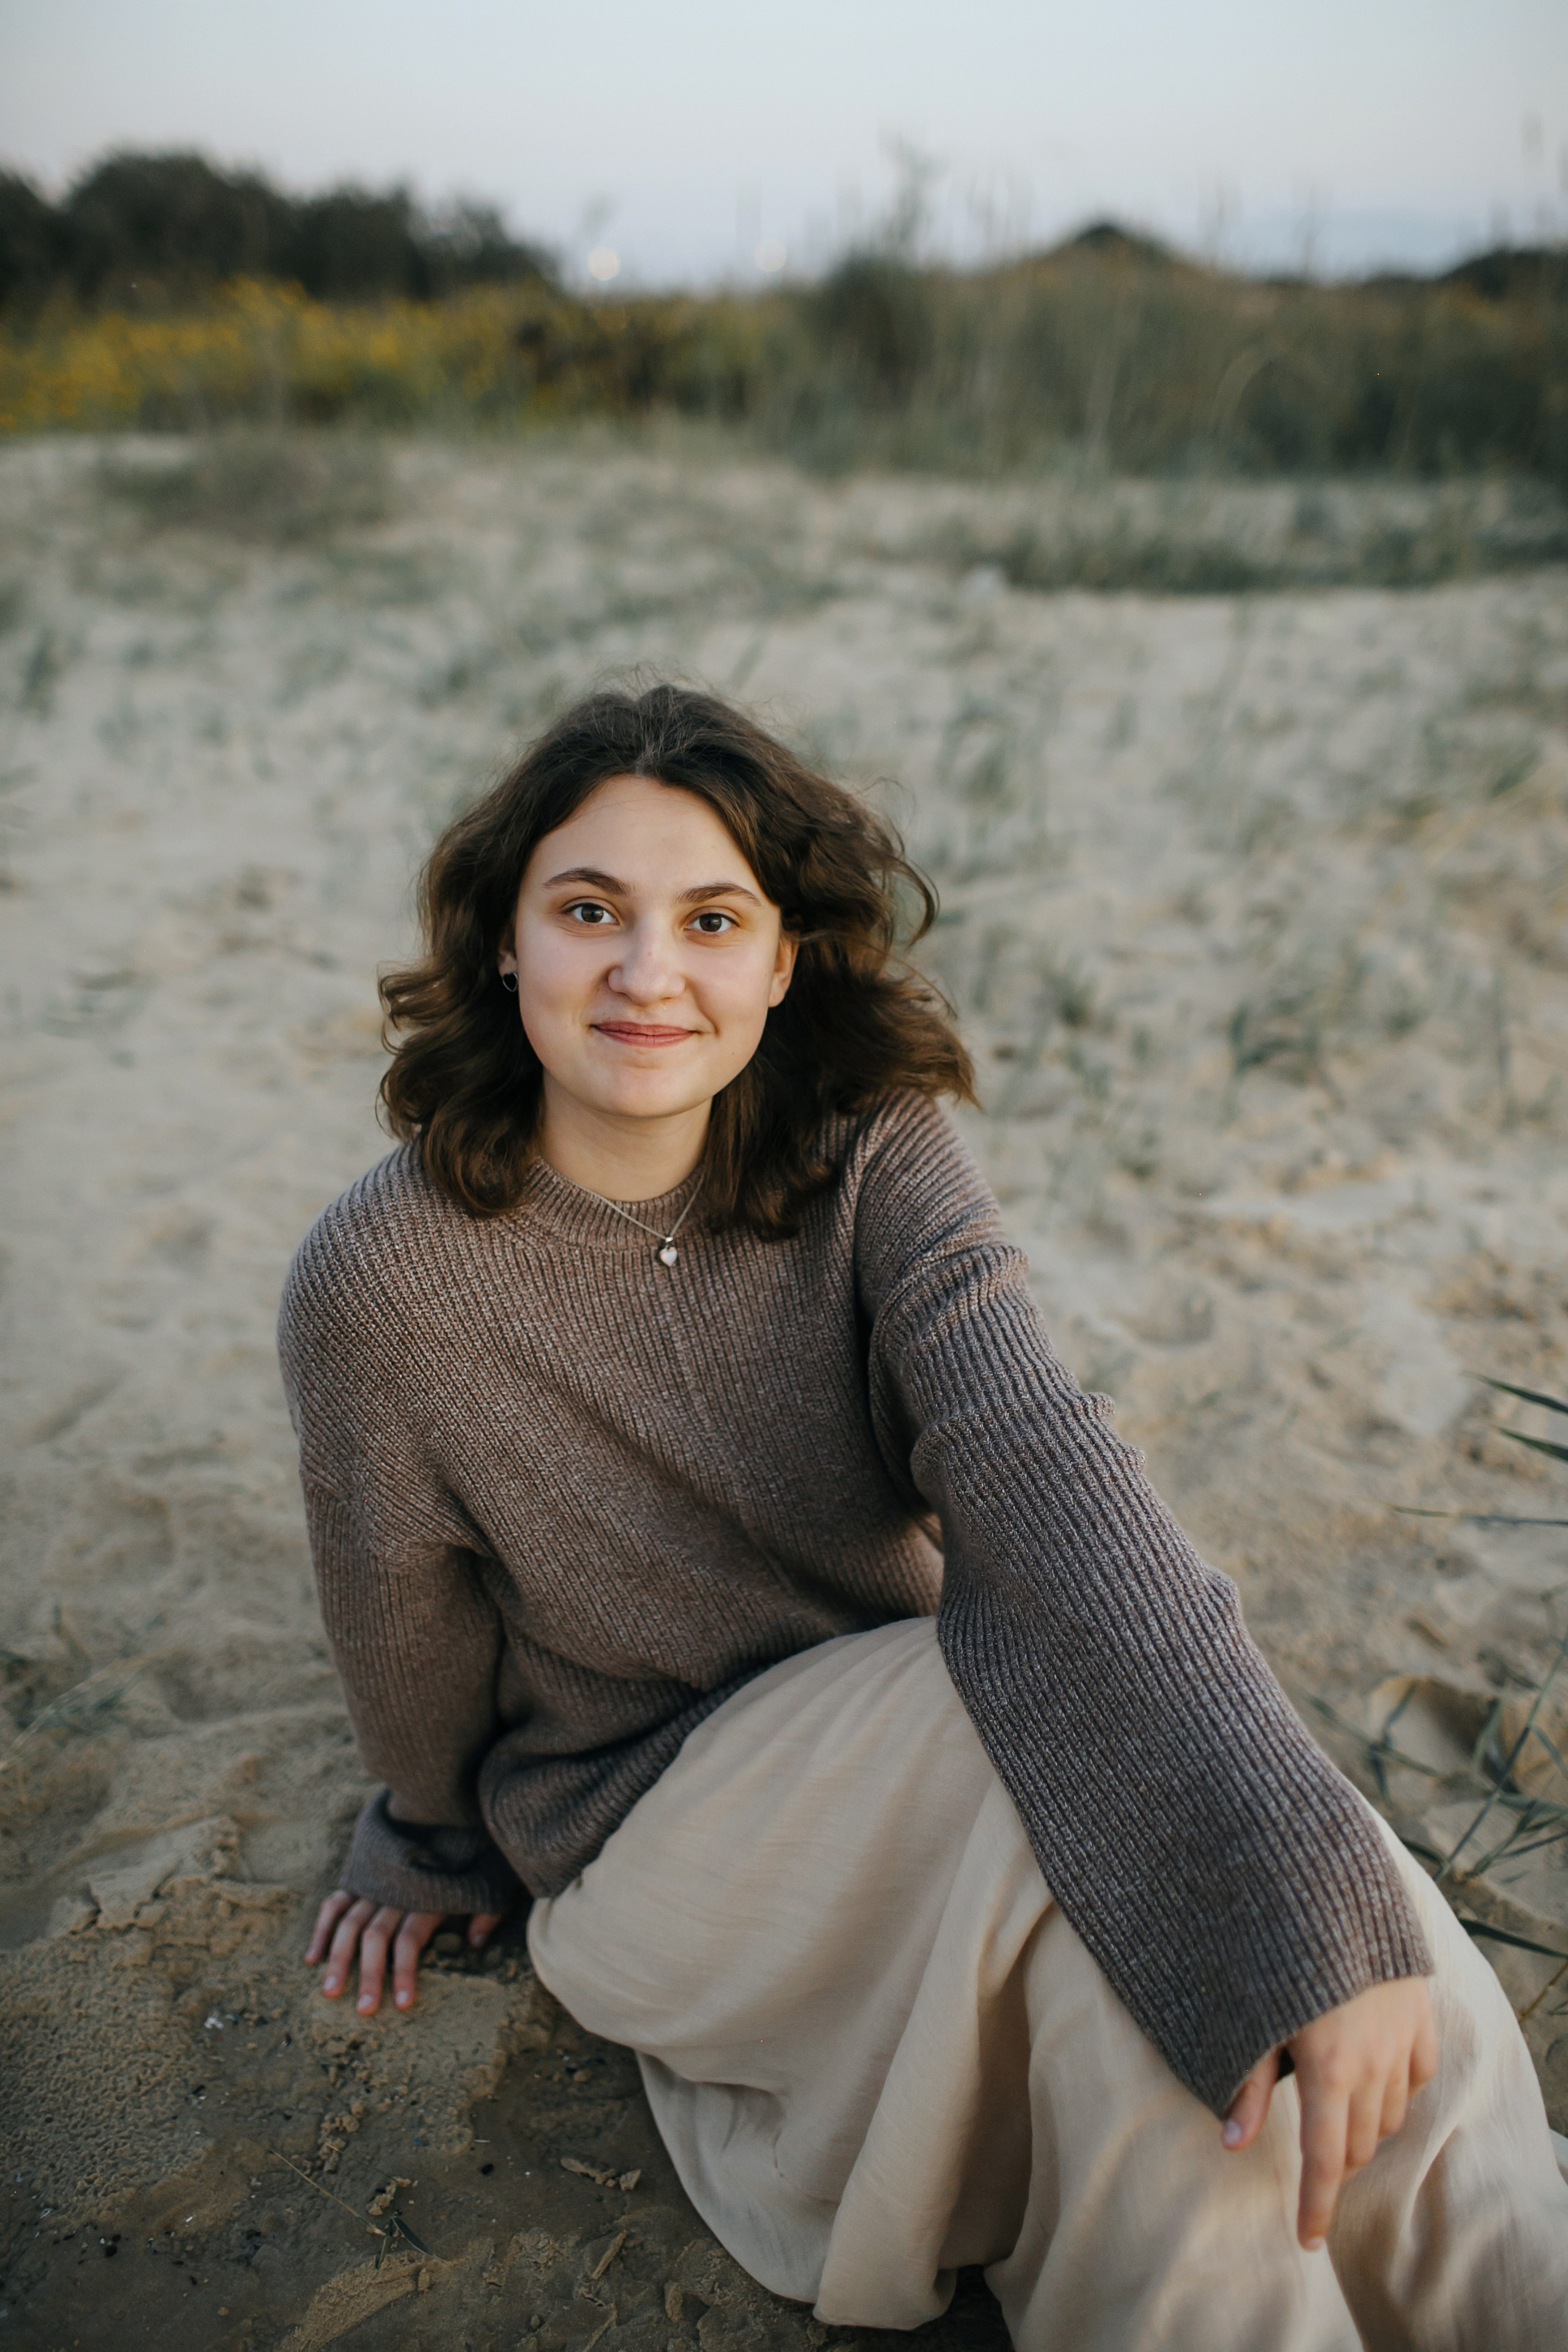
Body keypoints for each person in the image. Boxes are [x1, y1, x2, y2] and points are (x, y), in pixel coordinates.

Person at [279, 682, 1568, 2351]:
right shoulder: (383, 1276)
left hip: (938, 1780)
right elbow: (402, 1622)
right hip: (658, 1837)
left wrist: (1307, 1880)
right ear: (506, 942)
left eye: (713, 919)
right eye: (587, 910)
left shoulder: (873, 1152)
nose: (646, 971)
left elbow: (1033, 1452)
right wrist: (429, 1823)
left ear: (781, 961)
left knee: (1155, 2015)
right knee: (1099, 1759)